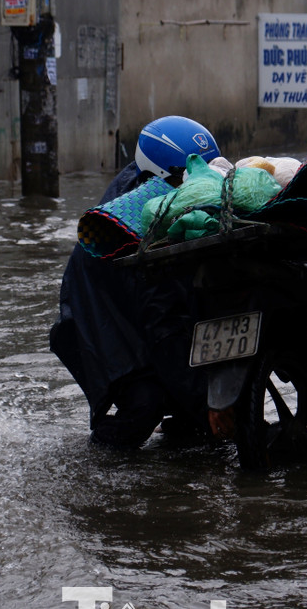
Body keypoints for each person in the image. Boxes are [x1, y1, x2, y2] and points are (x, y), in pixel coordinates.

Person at [49, 116, 219, 449]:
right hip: (101, 316)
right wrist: (208, 408)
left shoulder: (166, 189)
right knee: (146, 402)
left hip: (142, 307)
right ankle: (95, 454)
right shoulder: (138, 230)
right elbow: (163, 326)